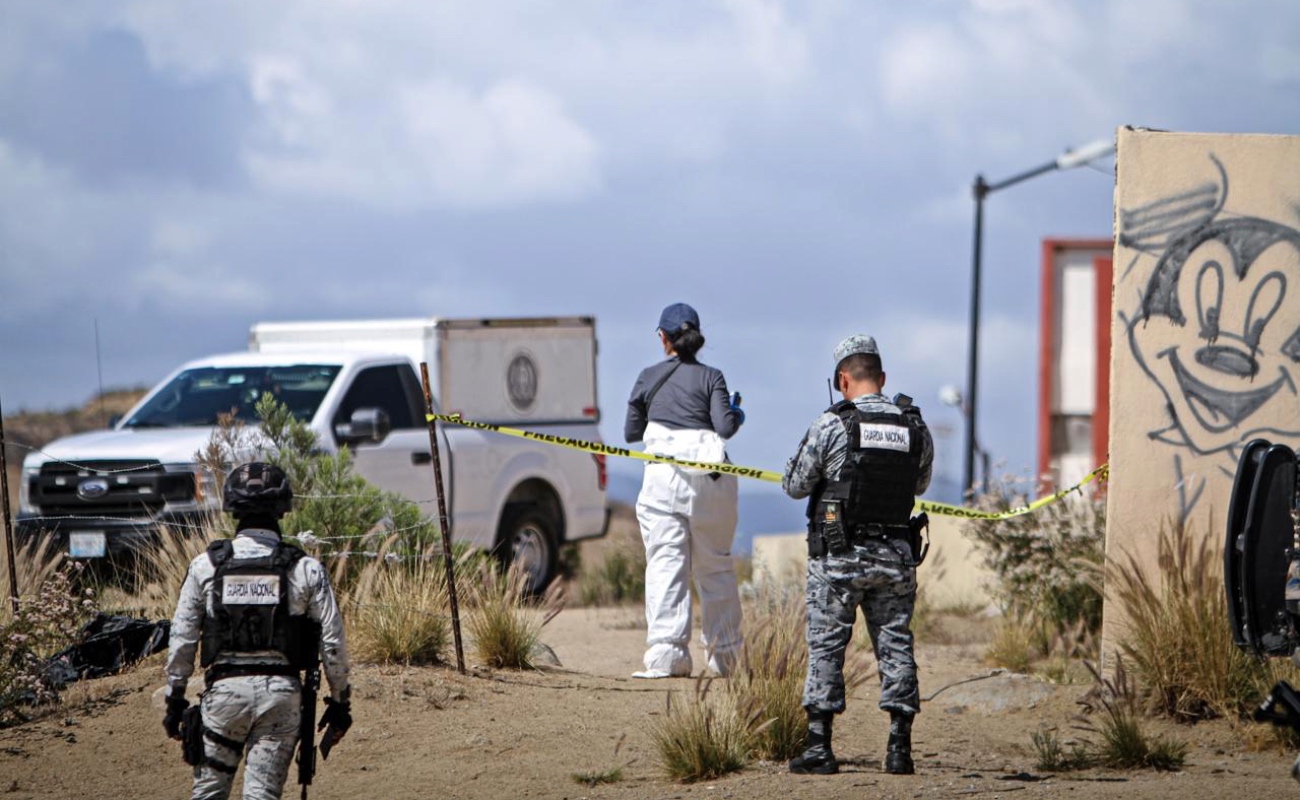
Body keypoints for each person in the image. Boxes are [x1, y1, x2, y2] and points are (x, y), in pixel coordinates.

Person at [781, 334, 933, 776]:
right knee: (896, 643)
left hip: (839, 557)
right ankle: (900, 749)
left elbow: (794, 485)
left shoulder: (832, 424)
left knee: (827, 645)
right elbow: (919, 484)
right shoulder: (914, 425)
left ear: (842, 379)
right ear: (882, 379)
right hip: (895, 556)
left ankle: (819, 747)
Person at [162, 462, 352, 800]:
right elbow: (333, 643)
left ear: (231, 506)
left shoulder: (206, 566)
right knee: (262, 794)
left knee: (208, 794)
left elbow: (183, 639)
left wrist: (175, 700)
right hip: (281, 699)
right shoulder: (305, 568)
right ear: (283, 507)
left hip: (222, 696)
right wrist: (340, 704)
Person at [624, 302, 746, 678]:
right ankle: (725, 657)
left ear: (663, 338)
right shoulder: (713, 376)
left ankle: (667, 656)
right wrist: (737, 413)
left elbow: (631, 434)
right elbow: (724, 428)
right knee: (716, 566)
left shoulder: (648, 376)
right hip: (710, 481)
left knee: (665, 564)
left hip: (662, 478)